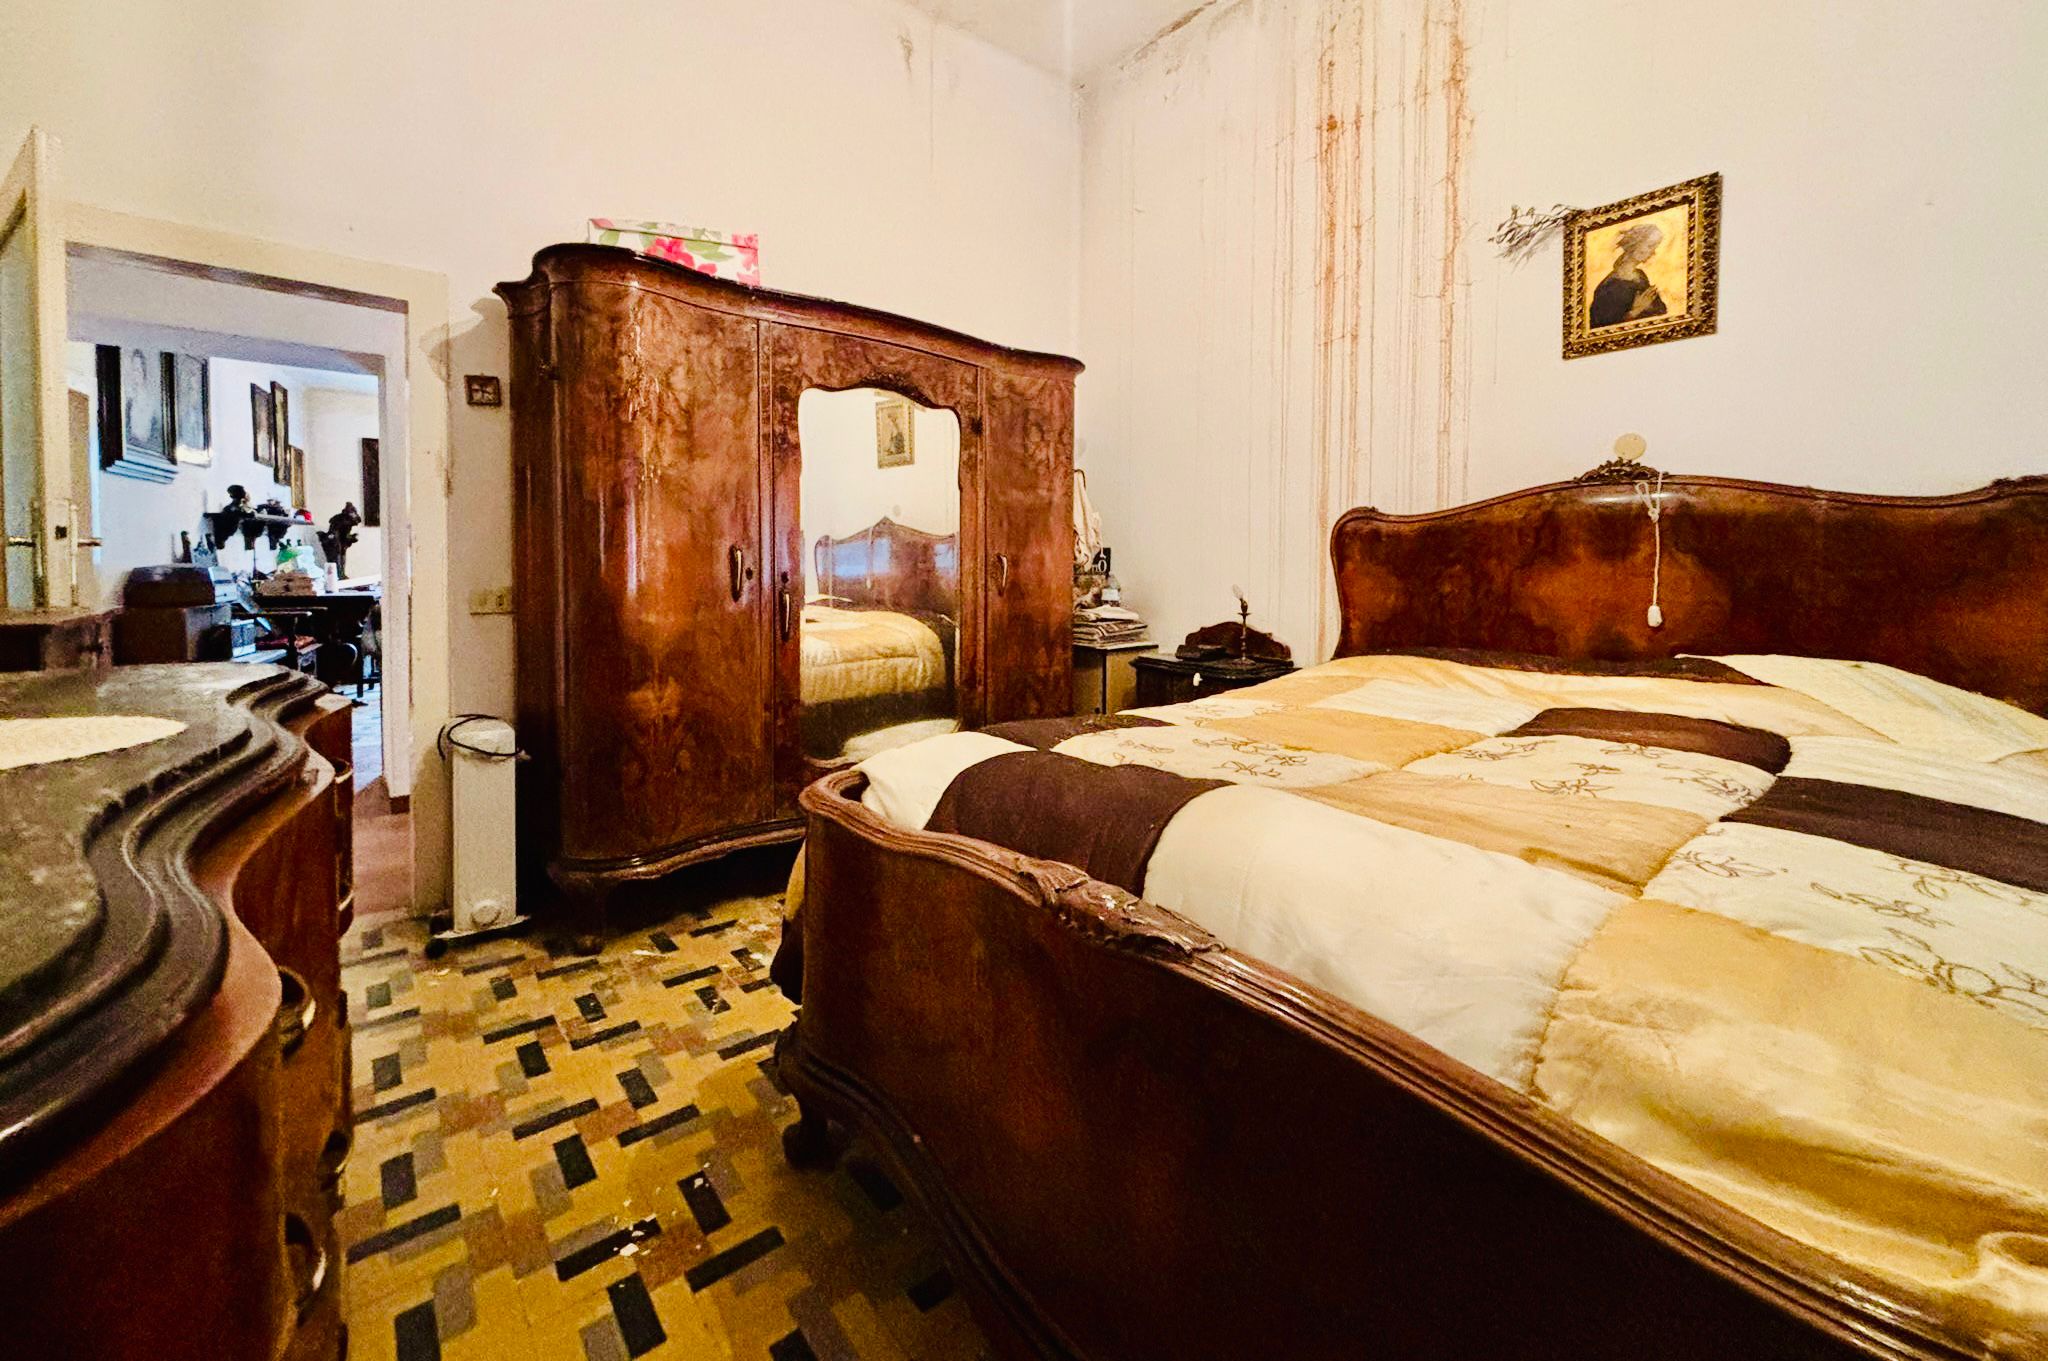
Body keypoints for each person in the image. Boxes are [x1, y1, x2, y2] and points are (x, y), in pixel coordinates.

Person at [1588, 221, 1668, 328]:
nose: (1653, 252)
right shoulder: (1609, 287)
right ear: (1635, 244)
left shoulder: (1641, 276)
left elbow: (1660, 311)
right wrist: (1635, 311)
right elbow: (1601, 328)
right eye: (1650, 246)